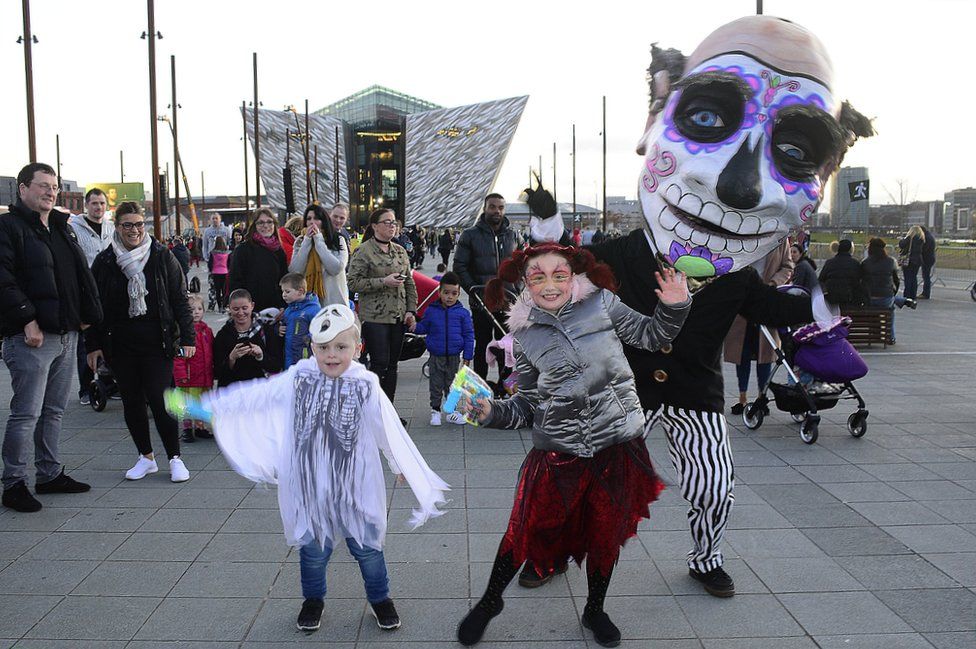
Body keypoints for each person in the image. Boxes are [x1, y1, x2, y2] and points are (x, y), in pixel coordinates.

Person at [525, 15, 873, 598]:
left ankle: (705, 557)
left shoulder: (735, 275)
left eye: (794, 149)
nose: (740, 185)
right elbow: (557, 274)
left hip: (694, 391)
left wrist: (821, 299)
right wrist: (546, 230)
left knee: (715, 483)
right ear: (653, 121)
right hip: (622, 390)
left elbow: (770, 305)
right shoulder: (614, 256)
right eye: (706, 117)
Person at [455, 244, 691, 647]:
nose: (549, 284)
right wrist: (486, 412)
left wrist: (674, 305)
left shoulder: (602, 303)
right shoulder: (524, 334)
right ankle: (491, 601)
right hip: (558, 449)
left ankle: (595, 609)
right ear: (524, 283)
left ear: (574, 274)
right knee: (524, 528)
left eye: (558, 274)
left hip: (616, 441)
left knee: (606, 530)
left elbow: (652, 337)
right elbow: (527, 405)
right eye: (537, 277)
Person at [169, 304, 449, 635]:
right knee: (313, 553)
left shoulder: (365, 384)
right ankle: (313, 599)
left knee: (368, 551)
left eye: (341, 347)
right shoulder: (299, 377)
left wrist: (397, 461)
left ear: (357, 349)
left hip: (354, 487)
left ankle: (380, 598)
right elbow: (258, 396)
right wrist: (208, 407)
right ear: (312, 347)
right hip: (311, 487)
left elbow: (385, 428)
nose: (332, 355)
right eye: (323, 347)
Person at [0, 163, 101, 512]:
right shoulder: (8, 227)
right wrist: (27, 319)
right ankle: (13, 483)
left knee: (54, 410)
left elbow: (79, 276)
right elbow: (4, 280)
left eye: (54, 186)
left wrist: (88, 318)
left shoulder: (61, 228)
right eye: (42, 186)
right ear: (23, 188)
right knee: (26, 413)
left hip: (66, 333)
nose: (50, 192)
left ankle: (49, 473)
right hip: (32, 337)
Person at [86, 201, 194, 483]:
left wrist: (188, 336)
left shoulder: (161, 256)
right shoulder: (105, 261)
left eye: (138, 224)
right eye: (127, 225)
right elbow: (93, 307)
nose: (134, 230)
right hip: (120, 344)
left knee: (160, 401)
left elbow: (179, 298)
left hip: (157, 342)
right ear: (117, 226)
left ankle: (175, 458)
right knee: (132, 402)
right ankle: (145, 457)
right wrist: (92, 344)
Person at [347, 208, 417, 402]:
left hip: (398, 315)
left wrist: (411, 310)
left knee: (393, 365)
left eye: (394, 222)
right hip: (375, 316)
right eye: (387, 222)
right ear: (375, 226)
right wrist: (383, 281)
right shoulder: (364, 251)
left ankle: (389, 411)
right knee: (379, 363)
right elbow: (352, 283)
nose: (392, 226)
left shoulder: (400, 251)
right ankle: (374, 408)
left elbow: (410, 283)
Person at [453, 194, 518, 385]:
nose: (496, 211)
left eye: (500, 207)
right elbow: (460, 266)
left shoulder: (513, 235)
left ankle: (505, 387)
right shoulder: (470, 235)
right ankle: (480, 387)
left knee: (505, 346)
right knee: (481, 344)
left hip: (507, 300)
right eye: (492, 207)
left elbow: (523, 265)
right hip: (481, 301)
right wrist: (473, 289)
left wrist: (517, 289)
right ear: (485, 208)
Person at [723, 241, 795, 415]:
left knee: (766, 352)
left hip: (766, 299)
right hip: (742, 299)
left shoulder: (779, 239)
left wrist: (773, 283)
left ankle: (761, 397)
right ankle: (742, 397)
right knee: (742, 352)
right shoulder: (742, 235)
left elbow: (788, 266)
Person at [69, 188, 116, 406]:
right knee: (87, 341)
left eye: (102, 203)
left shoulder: (111, 227)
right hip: (86, 292)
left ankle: (108, 384)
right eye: (94, 203)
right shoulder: (75, 228)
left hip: (107, 291)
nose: (98, 207)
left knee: (109, 337)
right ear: (87, 205)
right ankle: (86, 388)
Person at [410, 271, 474, 426]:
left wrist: (468, 355)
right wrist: (415, 327)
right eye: (446, 293)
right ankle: (435, 410)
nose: (449, 297)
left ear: (459, 294)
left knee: (452, 384)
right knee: (436, 384)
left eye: (454, 293)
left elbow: (468, 335)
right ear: (439, 292)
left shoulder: (463, 314)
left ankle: (451, 411)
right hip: (435, 355)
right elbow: (424, 326)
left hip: (454, 356)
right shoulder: (431, 311)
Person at [213, 288, 281, 387]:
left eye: (244, 308)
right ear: (229, 308)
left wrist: (261, 356)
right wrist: (231, 359)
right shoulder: (223, 335)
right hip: (233, 393)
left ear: (252, 306)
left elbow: (276, 366)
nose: (241, 313)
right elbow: (217, 373)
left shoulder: (266, 331)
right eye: (236, 309)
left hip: (260, 392)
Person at [228, 207, 289, 311]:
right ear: (254, 226)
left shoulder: (279, 250)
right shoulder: (243, 250)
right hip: (250, 309)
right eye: (260, 223)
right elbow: (235, 281)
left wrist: (283, 306)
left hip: (275, 309)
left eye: (269, 222)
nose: (265, 225)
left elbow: (284, 281)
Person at [172, 294, 214, 443]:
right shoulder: (184, 333)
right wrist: (180, 374)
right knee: (188, 405)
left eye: (199, 308)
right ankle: (187, 429)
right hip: (189, 378)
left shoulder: (206, 331)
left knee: (201, 404)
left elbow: (211, 353)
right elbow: (179, 356)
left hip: (203, 377)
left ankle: (200, 427)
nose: (196, 312)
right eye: (191, 309)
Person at [289, 204, 348, 306]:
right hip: (308, 305)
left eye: (316, 218)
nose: (312, 222)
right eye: (309, 219)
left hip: (333, 303)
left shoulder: (338, 240)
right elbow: (295, 271)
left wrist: (319, 241)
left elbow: (336, 269)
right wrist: (307, 242)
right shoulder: (300, 241)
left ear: (323, 221)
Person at [861, 237, 915, 343]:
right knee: (890, 310)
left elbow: (862, 281)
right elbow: (897, 281)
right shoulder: (891, 261)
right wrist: (892, 293)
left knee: (886, 302)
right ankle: (890, 336)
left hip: (870, 298)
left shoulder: (865, 263)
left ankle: (902, 300)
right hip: (885, 297)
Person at [279, 272, 321, 369]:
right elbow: (283, 324)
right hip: (289, 356)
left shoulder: (313, 310)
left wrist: (308, 338)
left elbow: (320, 329)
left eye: (287, 291)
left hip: (305, 357)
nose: (283, 295)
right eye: (283, 292)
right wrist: (278, 329)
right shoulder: (288, 310)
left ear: (300, 291)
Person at [819, 239, 865, 306]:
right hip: (850, 299)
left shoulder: (830, 263)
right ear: (850, 249)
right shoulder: (855, 264)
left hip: (832, 298)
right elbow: (859, 281)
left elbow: (821, 279)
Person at [899, 225, 925, 301]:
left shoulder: (909, 238)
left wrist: (902, 239)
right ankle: (913, 295)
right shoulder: (921, 239)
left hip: (909, 260)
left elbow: (902, 245)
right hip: (918, 260)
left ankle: (907, 295)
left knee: (907, 278)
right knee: (914, 277)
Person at [208, 236, 231, 312]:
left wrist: (211, 270)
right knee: (224, 290)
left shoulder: (213, 252)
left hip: (215, 272)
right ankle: (224, 306)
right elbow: (229, 263)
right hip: (225, 272)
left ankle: (219, 306)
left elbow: (210, 263)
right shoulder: (227, 253)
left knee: (217, 291)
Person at [920, 225, 936, 299]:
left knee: (926, 276)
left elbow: (924, 249)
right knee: (926, 276)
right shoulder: (929, 236)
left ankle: (926, 293)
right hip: (930, 258)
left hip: (927, 259)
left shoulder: (926, 238)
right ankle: (926, 292)